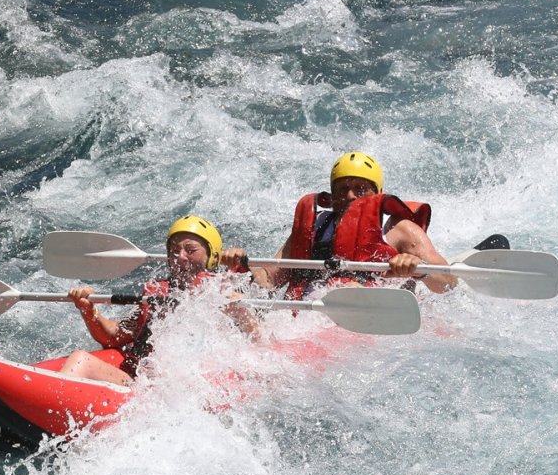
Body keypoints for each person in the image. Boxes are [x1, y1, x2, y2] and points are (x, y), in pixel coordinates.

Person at [58, 215, 259, 385]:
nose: (180, 257)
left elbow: (259, 340)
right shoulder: (157, 294)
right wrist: (88, 310)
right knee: (80, 359)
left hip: (192, 388)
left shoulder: (224, 290)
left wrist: (240, 276)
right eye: (174, 251)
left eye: (190, 250)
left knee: (80, 360)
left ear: (211, 257)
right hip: (147, 385)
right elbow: (115, 336)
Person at [230, 151, 457, 298]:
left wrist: (417, 268)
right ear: (331, 195)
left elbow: (448, 282)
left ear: (377, 193)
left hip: (376, 313)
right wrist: (241, 269)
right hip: (314, 317)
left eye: (360, 189)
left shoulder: (399, 229)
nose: (349, 196)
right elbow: (269, 279)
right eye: (342, 189)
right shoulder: (315, 227)